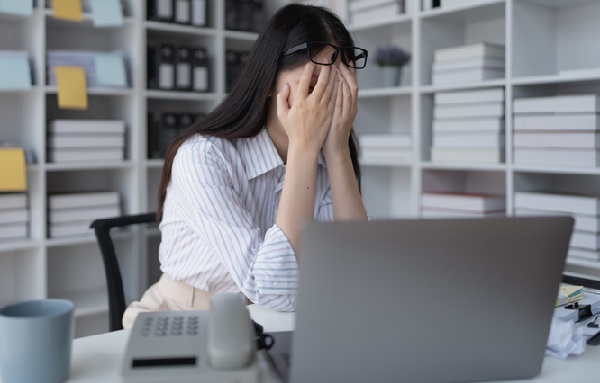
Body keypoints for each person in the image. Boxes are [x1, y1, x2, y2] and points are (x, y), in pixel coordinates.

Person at [122, 3, 369, 328]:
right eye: (312, 88)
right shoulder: (203, 156)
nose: (324, 107)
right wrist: (303, 150)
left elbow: (358, 270)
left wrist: (337, 151)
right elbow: (274, 289)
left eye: (337, 91)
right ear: (269, 83)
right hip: (186, 317)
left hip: (280, 321)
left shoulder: (329, 157)